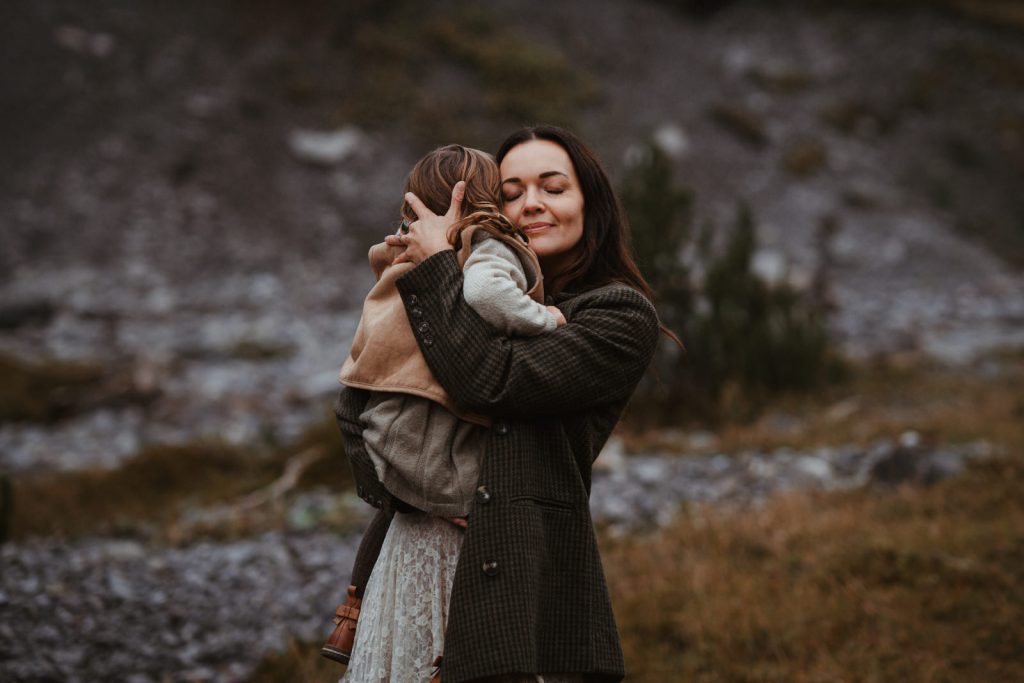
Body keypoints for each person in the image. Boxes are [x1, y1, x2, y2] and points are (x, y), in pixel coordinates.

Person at [336, 125, 674, 682]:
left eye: (553, 188)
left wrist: (435, 268)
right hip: (411, 555)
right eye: (512, 192)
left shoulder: (616, 315)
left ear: (591, 204)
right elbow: (357, 401)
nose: (532, 204)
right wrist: (408, 491)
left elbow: (490, 382)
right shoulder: (464, 280)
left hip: (517, 570)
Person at [322, 144, 567, 666]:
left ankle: (351, 612)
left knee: (392, 526)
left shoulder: (396, 256)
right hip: (446, 470)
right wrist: (547, 319)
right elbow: (486, 294)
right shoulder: (489, 246)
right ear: (482, 201)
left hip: (385, 425)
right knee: (463, 633)